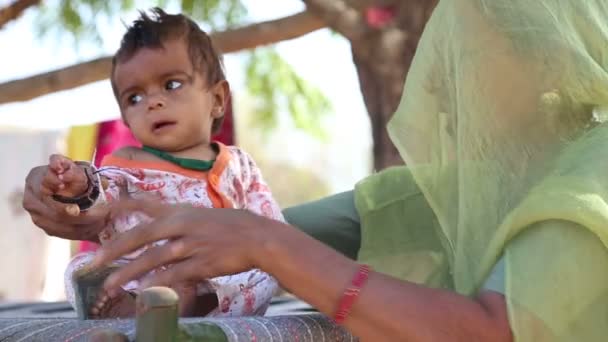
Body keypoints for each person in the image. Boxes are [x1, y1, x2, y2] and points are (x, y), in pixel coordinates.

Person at [24, 0, 608, 340]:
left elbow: (491, 332)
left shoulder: (594, 173)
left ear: (544, 58)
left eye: (461, 56)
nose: (435, 83)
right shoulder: (465, 191)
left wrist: (265, 245)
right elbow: (249, 230)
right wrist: (91, 210)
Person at [37, 8, 281, 319]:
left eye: (172, 84)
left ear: (218, 99)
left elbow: (271, 226)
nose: (153, 101)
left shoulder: (238, 164)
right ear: (126, 117)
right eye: (135, 98)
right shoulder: (125, 167)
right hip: (143, 276)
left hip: (218, 278)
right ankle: (126, 308)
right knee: (81, 268)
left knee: (264, 269)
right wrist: (77, 186)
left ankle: (187, 305)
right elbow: (99, 200)